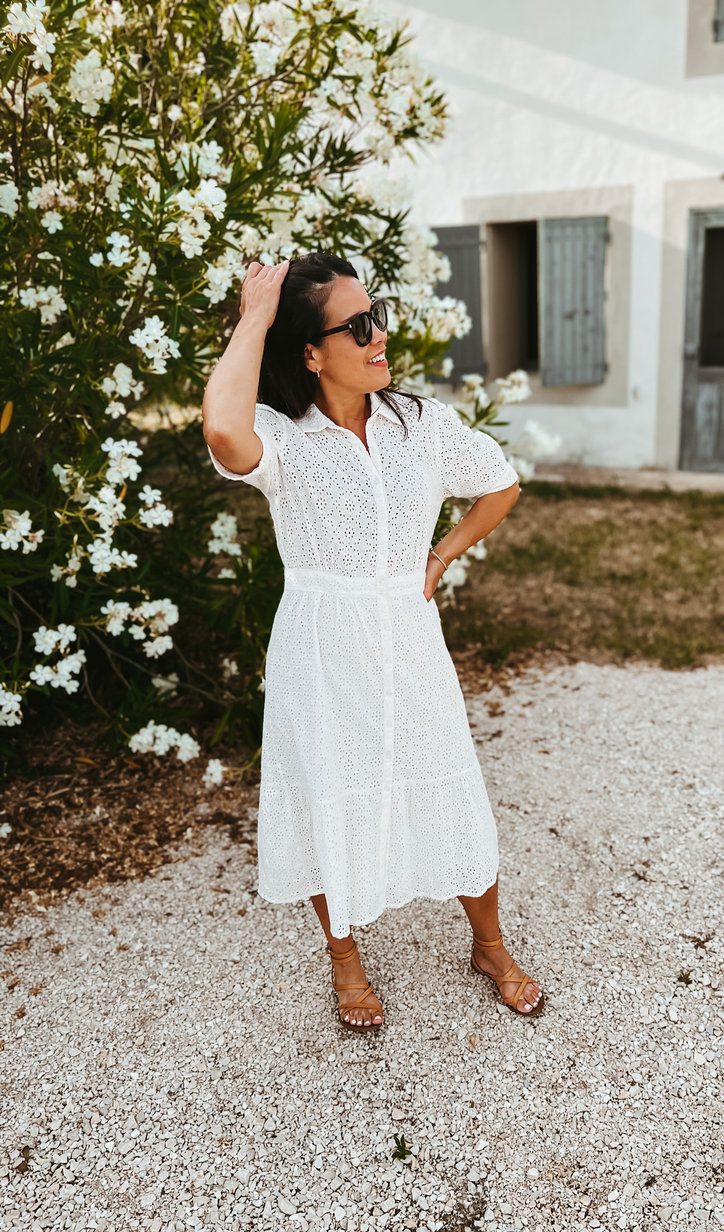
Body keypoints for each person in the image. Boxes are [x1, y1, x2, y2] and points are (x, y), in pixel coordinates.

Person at [201, 251, 545, 1032]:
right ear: (312, 353)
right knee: (332, 794)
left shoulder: (418, 424)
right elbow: (223, 427)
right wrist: (253, 315)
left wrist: (442, 553)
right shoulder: (281, 439)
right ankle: (346, 961)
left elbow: (501, 484)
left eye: (377, 314)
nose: (379, 333)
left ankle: (489, 946)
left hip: (409, 638)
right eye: (357, 326)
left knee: (450, 783)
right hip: (320, 647)